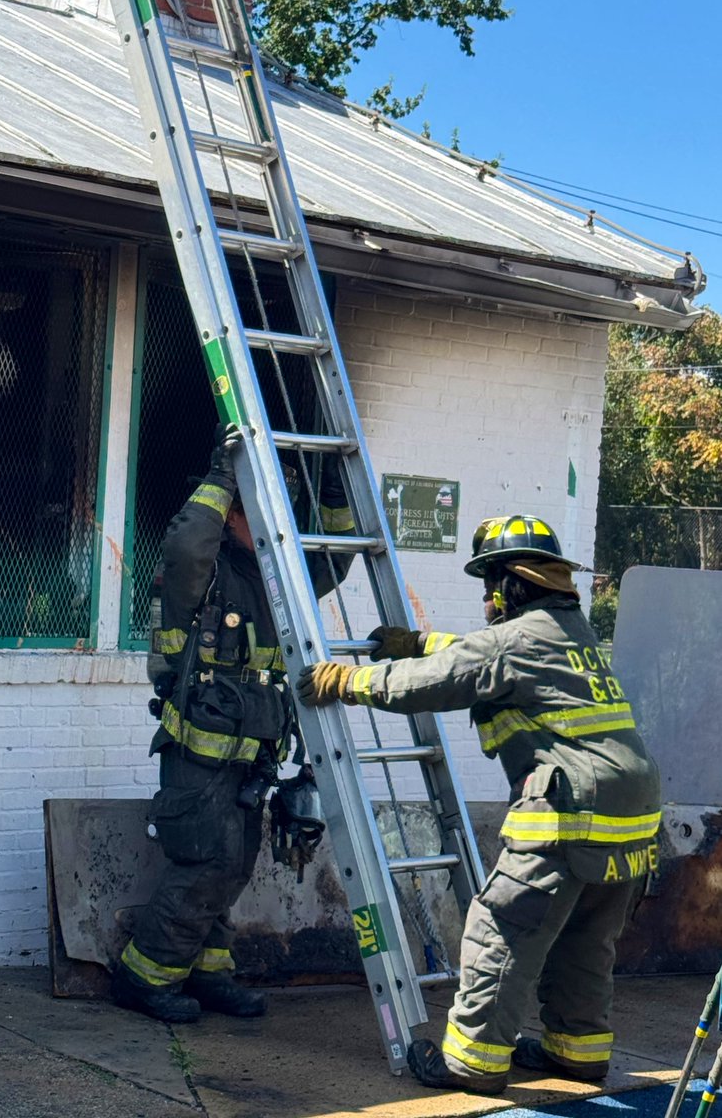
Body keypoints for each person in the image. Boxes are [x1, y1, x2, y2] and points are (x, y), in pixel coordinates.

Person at [298, 514, 661, 1095]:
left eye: (490, 583)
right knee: (585, 937)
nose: (487, 597)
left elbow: (436, 680)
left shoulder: (515, 640)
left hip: (574, 806)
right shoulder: (569, 630)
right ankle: (580, 1050)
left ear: (512, 584)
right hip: (636, 812)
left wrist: (345, 681)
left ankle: (473, 1063)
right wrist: (419, 643)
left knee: (502, 928)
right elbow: (478, 654)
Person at [112, 423, 353, 1024]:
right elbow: (187, 540)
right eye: (255, 511)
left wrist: (333, 494)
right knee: (205, 861)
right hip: (199, 754)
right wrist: (222, 475)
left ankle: (208, 971)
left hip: (252, 755)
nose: (271, 524)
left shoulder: (270, 576)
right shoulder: (203, 571)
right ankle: (144, 975)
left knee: (237, 862)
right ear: (230, 513)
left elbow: (336, 559)